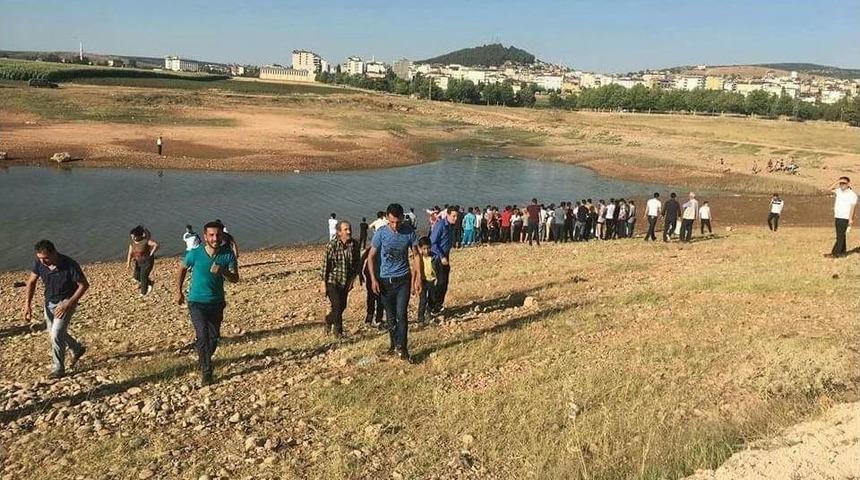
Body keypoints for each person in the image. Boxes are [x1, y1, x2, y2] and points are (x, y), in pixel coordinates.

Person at [176, 221, 239, 386]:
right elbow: (182, 268)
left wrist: (223, 271)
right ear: (205, 236)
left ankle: (203, 356)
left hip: (217, 302)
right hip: (196, 302)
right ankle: (207, 372)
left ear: (222, 235)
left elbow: (235, 279)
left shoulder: (228, 255)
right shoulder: (195, 254)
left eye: (218, 235)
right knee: (202, 336)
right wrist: (179, 291)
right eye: (211, 235)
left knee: (213, 338)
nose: (215, 238)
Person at [23, 240, 89, 379]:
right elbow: (31, 281)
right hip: (49, 302)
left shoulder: (69, 264)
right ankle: (76, 349)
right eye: (40, 258)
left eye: (46, 258)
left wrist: (69, 303)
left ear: (54, 252)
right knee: (54, 332)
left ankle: (58, 368)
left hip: (65, 302)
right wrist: (27, 305)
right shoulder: (39, 263)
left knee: (56, 334)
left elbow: (83, 285)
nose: (43, 262)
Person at [367, 203, 421, 362]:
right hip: (385, 281)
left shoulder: (409, 232)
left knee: (401, 315)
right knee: (390, 317)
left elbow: (416, 255)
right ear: (387, 218)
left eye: (398, 222)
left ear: (403, 219)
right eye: (392, 222)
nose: (395, 225)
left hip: (403, 279)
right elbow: (370, 257)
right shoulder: (381, 233)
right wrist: (373, 279)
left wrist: (418, 278)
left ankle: (403, 348)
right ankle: (393, 344)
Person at [320, 220, 361, 337]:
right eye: (345, 229)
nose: (349, 232)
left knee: (342, 306)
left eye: (350, 229)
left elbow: (357, 264)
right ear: (339, 232)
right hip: (332, 280)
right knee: (337, 305)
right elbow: (325, 265)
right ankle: (338, 332)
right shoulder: (332, 245)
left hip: (346, 280)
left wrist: (352, 281)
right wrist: (323, 283)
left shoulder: (355, 245)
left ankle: (328, 319)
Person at [430, 205, 458, 312]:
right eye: (453, 216)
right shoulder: (441, 225)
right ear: (448, 215)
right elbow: (433, 243)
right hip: (438, 258)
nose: (455, 219)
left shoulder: (451, 226)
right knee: (440, 282)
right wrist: (442, 256)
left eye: (456, 216)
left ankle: (438, 305)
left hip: (446, 256)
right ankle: (433, 306)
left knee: (445, 283)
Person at [828, 176, 858, 257]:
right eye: (841, 183)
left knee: (840, 236)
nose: (842, 185)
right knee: (841, 235)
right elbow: (828, 190)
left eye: (844, 183)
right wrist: (837, 181)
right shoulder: (838, 191)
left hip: (845, 217)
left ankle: (835, 253)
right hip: (837, 216)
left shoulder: (852, 195)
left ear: (848, 184)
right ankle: (842, 252)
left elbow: (852, 207)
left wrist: (850, 219)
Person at [127, 226, 159, 296]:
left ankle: (143, 293)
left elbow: (156, 245)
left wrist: (152, 252)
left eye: (134, 236)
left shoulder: (145, 241)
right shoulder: (132, 242)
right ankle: (150, 283)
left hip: (147, 262)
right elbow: (130, 253)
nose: (132, 238)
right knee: (136, 276)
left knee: (143, 276)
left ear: (138, 236)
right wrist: (128, 263)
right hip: (138, 262)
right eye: (131, 236)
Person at [360, 248, 384, 328]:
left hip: (381, 275)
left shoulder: (385, 245)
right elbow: (362, 259)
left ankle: (378, 318)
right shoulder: (372, 247)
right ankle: (370, 317)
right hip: (370, 274)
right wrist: (360, 273)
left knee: (380, 297)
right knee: (371, 296)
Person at [416, 236, 437, 326]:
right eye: (424, 249)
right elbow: (415, 271)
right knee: (423, 299)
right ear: (420, 249)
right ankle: (420, 318)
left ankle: (429, 311)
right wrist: (415, 283)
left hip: (432, 280)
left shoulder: (434, 257)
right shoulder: (418, 258)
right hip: (423, 281)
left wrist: (438, 278)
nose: (426, 251)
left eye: (428, 248)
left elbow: (438, 270)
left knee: (432, 298)